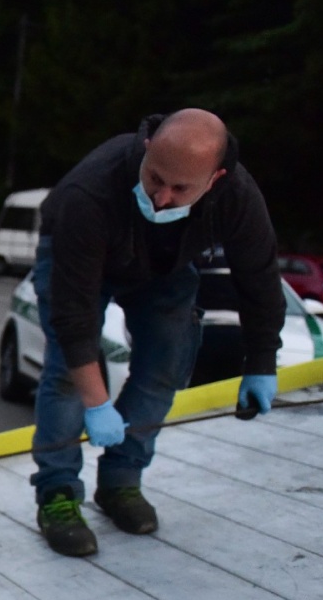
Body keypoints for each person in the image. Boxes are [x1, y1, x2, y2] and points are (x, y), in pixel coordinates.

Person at [29, 108, 284, 557]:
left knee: (168, 359)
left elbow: (259, 280)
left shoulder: (237, 197)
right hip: (79, 257)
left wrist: (262, 363)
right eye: (155, 179)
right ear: (147, 151)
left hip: (163, 265)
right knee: (70, 375)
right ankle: (58, 493)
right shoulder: (90, 191)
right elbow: (73, 317)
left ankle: (121, 480)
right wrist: (96, 402)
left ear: (215, 178)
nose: (162, 197)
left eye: (180, 188)